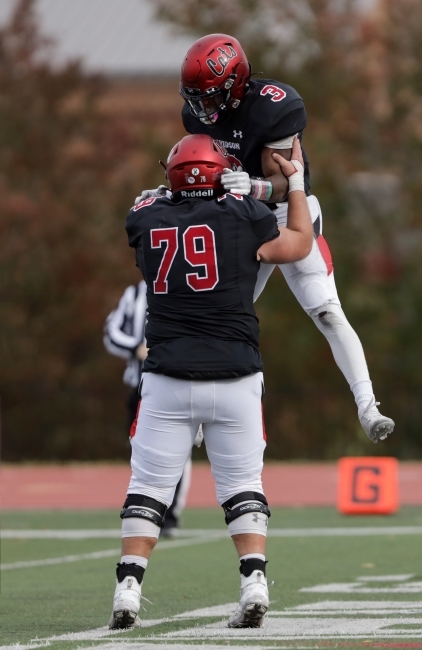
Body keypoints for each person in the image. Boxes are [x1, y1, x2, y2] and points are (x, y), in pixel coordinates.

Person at [108, 133, 313, 630]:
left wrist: (167, 196)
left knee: (149, 486)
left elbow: (153, 207)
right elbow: (301, 243)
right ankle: (254, 581)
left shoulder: (146, 219)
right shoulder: (245, 215)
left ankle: (128, 590)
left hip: (168, 376)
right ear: (222, 172)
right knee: (243, 484)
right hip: (236, 374)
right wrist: (295, 184)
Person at [169, 33, 394, 443]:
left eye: (209, 96)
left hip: (289, 211)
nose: (201, 109)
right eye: (195, 98)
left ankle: (367, 404)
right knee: (219, 315)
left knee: (325, 310)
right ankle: (201, 413)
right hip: (240, 218)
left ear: (235, 84)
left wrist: (253, 187)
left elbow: (288, 179)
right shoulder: (199, 114)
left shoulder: (275, 107)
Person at [103, 281, 199, 536]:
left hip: (175, 384)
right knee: (141, 449)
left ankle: (169, 515)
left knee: (178, 450)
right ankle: (145, 508)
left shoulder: (187, 289)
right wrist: (136, 347)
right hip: (140, 387)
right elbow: (111, 331)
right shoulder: (134, 294)